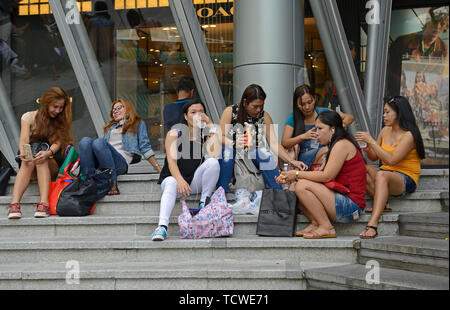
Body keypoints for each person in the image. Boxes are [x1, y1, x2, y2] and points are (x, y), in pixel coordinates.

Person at [276, 110, 367, 239]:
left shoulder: (342, 145)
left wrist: (296, 174)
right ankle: (315, 223)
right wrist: (289, 177)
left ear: (333, 129)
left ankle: (326, 227)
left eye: (320, 128)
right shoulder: (333, 145)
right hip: (340, 198)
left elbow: (326, 176)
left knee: (301, 186)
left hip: (351, 206)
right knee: (295, 186)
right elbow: (320, 176)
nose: (316, 133)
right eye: (315, 128)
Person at [356, 96, 425, 239]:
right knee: (364, 168)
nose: (384, 115)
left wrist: (371, 141)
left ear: (398, 113)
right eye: (384, 112)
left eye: (387, 112)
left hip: (406, 178)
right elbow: (374, 157)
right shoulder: (385, 131)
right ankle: (384, 203)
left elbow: (392, 160)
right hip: (387, 173)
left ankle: (373, 225)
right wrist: (368, 147)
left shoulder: (409, 136)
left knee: (381, 174)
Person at [216, 84, 307, 192]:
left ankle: (278, 194)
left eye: (261, 106)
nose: (258, 109)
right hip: (233, 154)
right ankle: (220, 194)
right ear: (245, 102)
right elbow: (219, 138)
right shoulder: (230, 111)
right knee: (228, 150)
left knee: (262, 152)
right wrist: (234, 142)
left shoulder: (264, 116)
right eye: (255, 106)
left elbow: (273, 143)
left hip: (253, 155)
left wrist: (292, 161)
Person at [152, 100, 221, 241]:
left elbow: (215, 154)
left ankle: (204, 202)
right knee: (171, 182)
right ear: (185, 116)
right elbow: (171, 162)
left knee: (213, 163)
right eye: (193, 112)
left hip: (194, 183)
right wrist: (180, 180)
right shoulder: (174, 133)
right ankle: (162, 227)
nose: (198, 115)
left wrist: (210, 124)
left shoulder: (205, 133)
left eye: (201, 112)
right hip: (174, 181)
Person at [7, 87, 73, 219]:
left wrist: (48, 153)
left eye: (61, 107)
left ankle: (44, 204)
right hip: (30, 164)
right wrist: (25, 154)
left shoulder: (60, 120)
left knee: (41, 159)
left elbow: (57, 144)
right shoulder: (28, 117)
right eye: (55, 106)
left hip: (51, 161)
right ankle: (14, 205)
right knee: (30, 159)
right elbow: (24, 140)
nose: (58, 111)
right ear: (46, 103)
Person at [78, 99, 161, 196]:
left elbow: (145, 147)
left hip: (120, 163)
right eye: (113, 110)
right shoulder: (111, 127)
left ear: (128, 108)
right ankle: (87, 183)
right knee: (85, 141)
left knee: (99, 142)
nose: (115, 111)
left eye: (119, 108)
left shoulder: (137, 123)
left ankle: (112, 182)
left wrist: (159, 169)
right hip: (104, 163)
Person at [281, 84, 354, 170]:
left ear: (315, 99)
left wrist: (337, 126)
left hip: (325, 152)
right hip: (304, 157)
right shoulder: (293, 118)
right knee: (329, 150)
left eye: (309, 102)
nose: (307, 107)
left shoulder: (323, 112)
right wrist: (303, 137)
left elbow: (349, 117)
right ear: (297, 104)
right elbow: (284, 142)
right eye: (302, 104)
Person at [387, 7, 448, 97]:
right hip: (400, 97)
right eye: (435, 21)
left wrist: (427, 88)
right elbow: (386, 72)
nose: (438, 26)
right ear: (428, 21)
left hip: (422, 100)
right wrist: (406, 85)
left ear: (445, 27)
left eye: (442, 23)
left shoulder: (443, 48)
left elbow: (438, 78)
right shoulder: (402, 42)